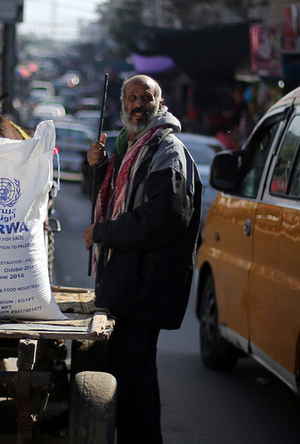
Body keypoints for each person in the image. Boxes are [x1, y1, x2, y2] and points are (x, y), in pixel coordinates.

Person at [83, 74, 201, 444]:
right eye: (132, 98)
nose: (138, 104)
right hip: (126, 284)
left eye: (145, 98)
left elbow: (163, 217)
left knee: (134, 383)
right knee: (130, 377)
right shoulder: (130, 146)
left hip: (145, 288)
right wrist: (99, 165)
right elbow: (113, 197)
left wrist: (103, 233)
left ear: (158, 103)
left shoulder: (166, 150)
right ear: (123, 105)